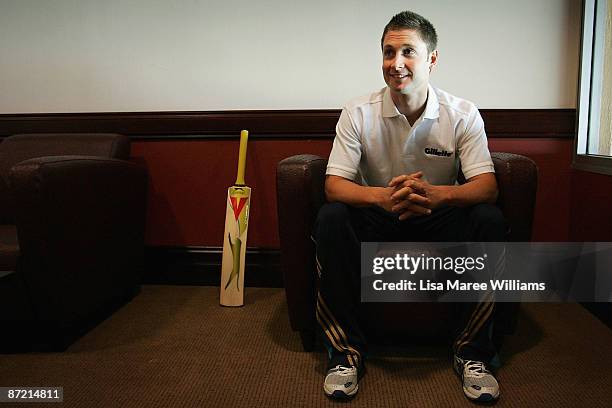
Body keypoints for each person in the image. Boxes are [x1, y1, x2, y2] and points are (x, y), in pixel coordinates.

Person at [314, 10, 506, 403]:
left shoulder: (463, 113)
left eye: (408, 52)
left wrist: (438, 195)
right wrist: (383, 197)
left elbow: (486, 187)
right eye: (388, 52)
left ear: (432, 59)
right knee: (331, 218)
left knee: (489, 219)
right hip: (377, 215)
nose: (395, 63)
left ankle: (473, 353)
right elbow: (334, 185)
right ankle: (345, 354)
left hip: (438, 216)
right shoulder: (357, 112)